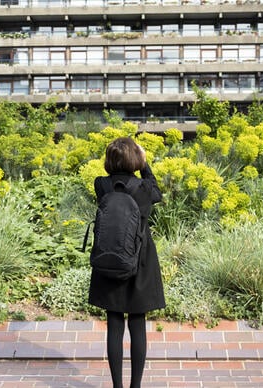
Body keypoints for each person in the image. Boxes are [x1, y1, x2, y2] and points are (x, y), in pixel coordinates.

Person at [88, 137, 166, 388]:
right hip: (140, 260)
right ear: (135, 159)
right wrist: (144, 164)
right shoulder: (142, 189)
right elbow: (156, 192)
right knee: (137, 322)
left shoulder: (101, 185)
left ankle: (117, 387)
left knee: (114, 322)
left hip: (109, 257)